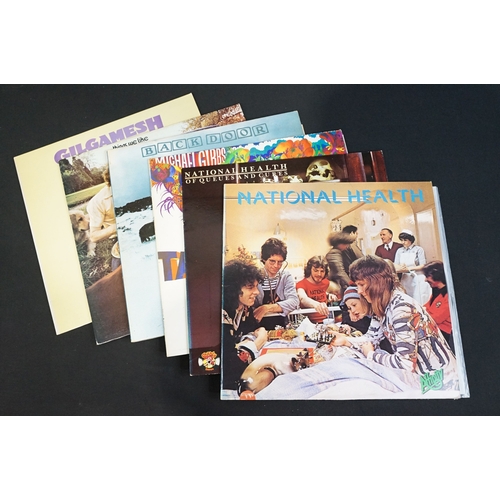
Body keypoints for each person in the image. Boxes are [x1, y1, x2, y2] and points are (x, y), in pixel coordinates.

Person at [333, 255, 458, 391]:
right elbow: (371, 338)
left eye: (361, 285)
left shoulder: (401, 308)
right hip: (425, 379)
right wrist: (345, 341)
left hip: (441, 383)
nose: (359, 291)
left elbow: (405, 364)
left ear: (377, 282)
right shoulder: (382, 304)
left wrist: (371, 355)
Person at [222, 259, 268, 390]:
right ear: (234, 289)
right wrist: (259, 341)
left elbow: (252, 329)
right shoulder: (221, 313)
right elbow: (231, 365)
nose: (257, 292)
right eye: (250, 287)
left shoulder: (244, 308)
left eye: (256, 286)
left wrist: (245, 343)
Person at [254, 238, 300, 330]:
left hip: (281, 326)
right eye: (272, 261)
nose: (276, 266)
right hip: (258, 327)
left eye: (280, 262)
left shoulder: (285, 276)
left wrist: (266, 308)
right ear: (264, 259)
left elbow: (294, 302)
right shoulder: (255, 276)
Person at [86, 168, 120, 269]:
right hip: (118, 238)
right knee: (117, 272)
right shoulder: (97, 202)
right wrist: (117, 226)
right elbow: (94, 236)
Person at [295, 256, 340, 324]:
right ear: (309, 270)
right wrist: (317, 305)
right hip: (308, 323)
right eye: (315, 270)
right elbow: (303, 298)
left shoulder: (326, 282)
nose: (319, 274)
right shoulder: (301, 284)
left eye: (322, 271)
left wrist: (328, 295)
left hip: (326, 320)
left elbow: (320, 292)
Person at [422, 260, 454, 353]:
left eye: (427, 276)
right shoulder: (436, 291)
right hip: (435, 330)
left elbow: (437, 318)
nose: (425, 280)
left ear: (437, 275)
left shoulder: (449, 294)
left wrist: (424, 313)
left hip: (445, 334)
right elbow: (425, 307)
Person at [394, 229, 430, 304]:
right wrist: (400, 267)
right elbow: (396, 264)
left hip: (417, 277)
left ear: (411, 240)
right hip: (405, 278)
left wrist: (409, 268)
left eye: (405, 240)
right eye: (401, 240)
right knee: (408, 299)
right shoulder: (399, 251)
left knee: (418, 299)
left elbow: (423, 265)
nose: (403, 242)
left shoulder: (418, 250)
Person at [325, 231, 356, 297]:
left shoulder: (338, 252)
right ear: (339, 244)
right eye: (345, 244)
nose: (346, 246)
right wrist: (351, 283)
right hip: (338, 284)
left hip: (340, 283)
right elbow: (339, 272)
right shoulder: (334, 253)